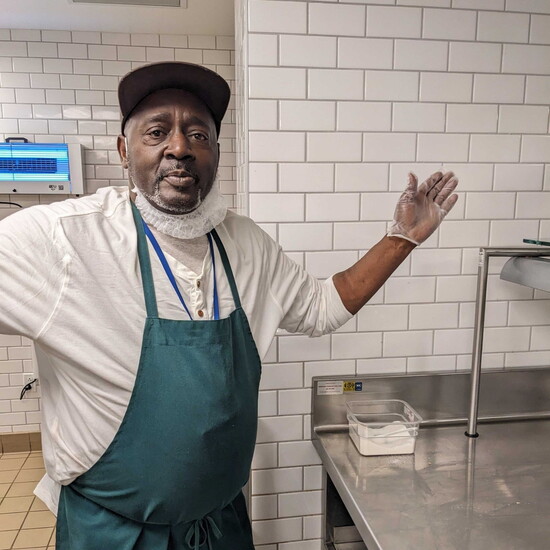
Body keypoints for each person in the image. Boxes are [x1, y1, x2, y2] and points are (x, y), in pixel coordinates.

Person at [0, 62, 458, 549]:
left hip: (221, 527)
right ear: (123, 150)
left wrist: (403, 238)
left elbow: (322, 306)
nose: (179, 147)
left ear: (216, 153)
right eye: (157, 132)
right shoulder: (63, 240)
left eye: (198, 134)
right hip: (114, 533)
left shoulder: (246, 243)